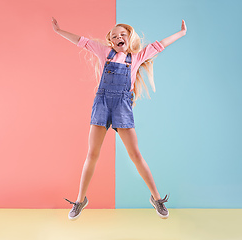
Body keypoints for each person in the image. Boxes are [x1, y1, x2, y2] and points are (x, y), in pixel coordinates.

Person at [51, 17, 187, 220]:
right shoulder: (104, 52)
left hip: (122, 106)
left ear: (129, 37)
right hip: (102, 104)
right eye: (114, 36)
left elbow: (161, 45)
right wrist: (59, 31)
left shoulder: (138, 56)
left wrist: (181, 33)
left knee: (135, 155)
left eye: (122, 34)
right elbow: (82, 41)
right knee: (92, 154)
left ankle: (156, 198)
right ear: (110, 41)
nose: (118, 37)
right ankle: (80, 200)